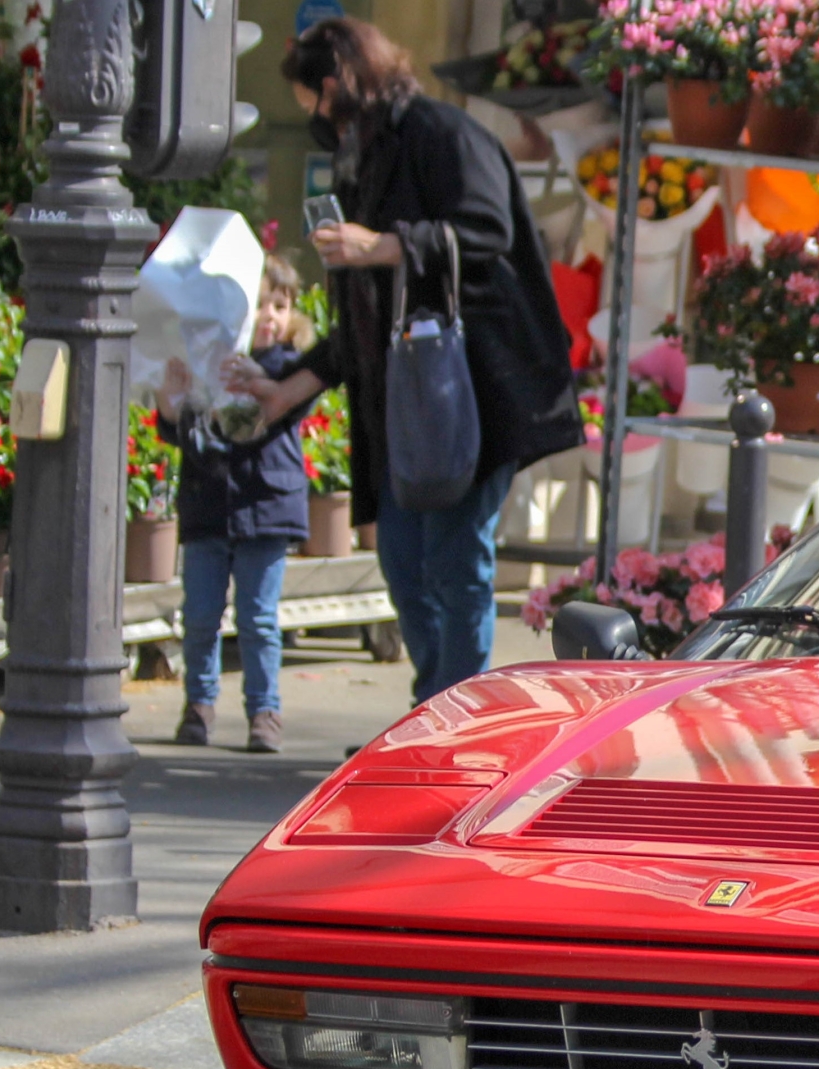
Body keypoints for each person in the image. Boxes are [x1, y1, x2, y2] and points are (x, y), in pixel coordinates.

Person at [233, 17, 582, 704]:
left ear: (331, 84)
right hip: (400, 400)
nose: (310, 117)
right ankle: (435, 707)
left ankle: (454, 722)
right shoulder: (362, 151)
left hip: (469, 391)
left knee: (455, 564)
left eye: (309, 99)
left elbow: (489, 228)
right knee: (403, 564)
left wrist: (382, 246)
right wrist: (287, 390)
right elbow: (360, 318)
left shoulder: (442, 134)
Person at [159, 251, 312, 753]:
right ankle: (199, 707)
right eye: (260, 304)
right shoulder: (209, 360)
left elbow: (258, 421)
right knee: (200, 614)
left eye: (280, 305)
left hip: (265, 507)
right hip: (207, 504)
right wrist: (172, 403)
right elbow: (180, 429)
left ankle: (264, 712)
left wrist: (254, 380)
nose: (270, 315)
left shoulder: (291, 369)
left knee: (258, 619)